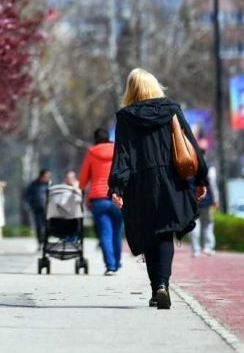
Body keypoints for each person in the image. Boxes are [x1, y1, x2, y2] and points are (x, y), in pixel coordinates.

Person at [109, 68, 208, 310]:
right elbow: (190, 145)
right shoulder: (172, 110)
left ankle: (156, 289)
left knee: (149, 234)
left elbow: (122, 154)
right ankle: (162, 286)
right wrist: (201, 177)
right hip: (172, 180)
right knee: (165, 233)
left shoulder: (125, 117)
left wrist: (117, 187)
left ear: (131, 89)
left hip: (139, 184)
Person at [79, 128, 123, 275]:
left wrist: (80, 189)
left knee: (105, 233)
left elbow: (83, 178)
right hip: (118, 197)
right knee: (117, 233)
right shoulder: (118, 150)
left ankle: (110, 266)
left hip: (98, 198)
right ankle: (116, 263)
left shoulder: (92, 152)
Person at [190, 165, 220, 257]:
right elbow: (213, 184)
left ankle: (196, 250)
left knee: (195, 225)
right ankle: (208, 247)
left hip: (193, 200)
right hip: (206, 200)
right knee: (208, 224)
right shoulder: (209, 167)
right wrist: (216, 199)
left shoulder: (189, 166)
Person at [25, 169, 51, 250]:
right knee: (39, 227)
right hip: (38, 209)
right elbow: (27, 195)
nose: (48, 178)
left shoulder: (50, 184)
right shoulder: (34, 184)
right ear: (41, 176)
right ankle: (40, 243)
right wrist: (32, 204)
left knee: (48, 226)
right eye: (46, 176)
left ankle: (46, 242)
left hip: (49, 209)